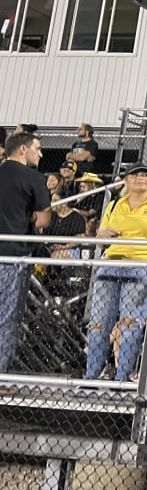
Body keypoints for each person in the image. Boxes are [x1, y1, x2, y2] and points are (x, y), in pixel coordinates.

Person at [86, 164, 147, 381]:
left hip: (142, 264)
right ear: (126, 180)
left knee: (130, 323)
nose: (141, 178)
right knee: (98, 324)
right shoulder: (114, 205)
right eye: (136, 175)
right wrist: (102, 235)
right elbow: (100, 239)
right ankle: (91, 376)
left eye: (145, 175)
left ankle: (122, 377)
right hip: (111, 263)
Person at [0, 133, 51, 373]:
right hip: (14, 255)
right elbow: (44, 219)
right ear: (23, 149)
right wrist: (31, 216)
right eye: (37, 148)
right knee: (7, 317)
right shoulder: (33, 177)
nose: (40, 154)